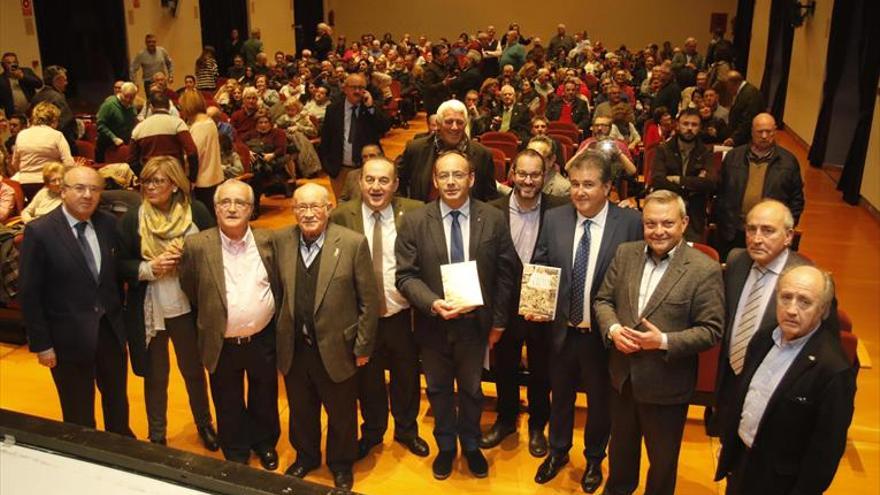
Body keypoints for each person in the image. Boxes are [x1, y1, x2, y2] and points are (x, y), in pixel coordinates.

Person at [395, 151, 517, 480]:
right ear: (434, 180)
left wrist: (500, 322)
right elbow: (405, 276)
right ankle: (446, 446)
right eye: (444, 176)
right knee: (437, 390)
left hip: (476, 328)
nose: (451, 182)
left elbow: (506, 274)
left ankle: (471, 444)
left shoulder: (492, 218)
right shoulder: (415, 221)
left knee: (472, 391)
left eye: (458, 175)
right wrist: (433, 303)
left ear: (471, 179)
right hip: (433, 325)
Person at [594, 190, 724, 495]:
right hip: (622, 378)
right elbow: (603, 300)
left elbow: (711, 330)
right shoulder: (625, 253)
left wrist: (662, 341)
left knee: (662, 464)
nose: (658, 231)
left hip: (667, 386)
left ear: (684, 223)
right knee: (621, 455)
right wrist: (613, 329)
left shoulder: (704, 270)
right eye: (650, 223)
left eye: (667, 223)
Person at [528, 150, 643, 493]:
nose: (579, 192)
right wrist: (536, 304)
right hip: (561, 330)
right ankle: (558, 450)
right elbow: (541, 263)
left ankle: (594, 458)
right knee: (560, 394)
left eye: (589, 185)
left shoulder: (630, 224)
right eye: (575, 184)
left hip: (603, 335)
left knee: (599, 401)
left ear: (607, 187)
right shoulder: (556, 218)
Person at [715, 265, 855, 495]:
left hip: (781, 483)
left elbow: (825, 453)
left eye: (804, 302)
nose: (791, 309)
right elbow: (743, 397)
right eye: (786, 297)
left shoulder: (834, 370)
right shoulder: (762, 339)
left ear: (822, 309)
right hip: (741, 466)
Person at [274, 183, 379, 490]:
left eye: (315, 207)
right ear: (293, 211)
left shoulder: (352, 243)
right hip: (295, 347)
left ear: (329, 208)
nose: (308, 214)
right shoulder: (281, 240)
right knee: (301, 409)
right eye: (301, 208)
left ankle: (341, 463)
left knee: (342, 413)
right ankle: (306, 457)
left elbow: (368, 302)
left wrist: (362, 346)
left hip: (338, 348)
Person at [18, 166, 134, 437]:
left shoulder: (108, 224)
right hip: (66, 339)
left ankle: (121, 450)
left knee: (117, 403)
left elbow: (114, 277)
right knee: (78, 414)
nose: (87, 195)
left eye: (94, 189)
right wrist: (42, 344)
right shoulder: (41, 231)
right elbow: (30, 293)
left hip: (109, 332)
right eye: (79, 188)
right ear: (63, 191)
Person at [328, 157, 430, 461]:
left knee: (406, 375)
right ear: (360, 183)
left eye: (384, 181)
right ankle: (372, 431)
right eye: (370, 180)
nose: (376, 187)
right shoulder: (341, 216)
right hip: (361, 318)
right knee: (368, 380)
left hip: (401, 314)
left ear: (395, 185)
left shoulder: (414, 212)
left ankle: (406, 429)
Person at [116, 156, 217, 450]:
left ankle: (204, 424)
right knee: (155, 377)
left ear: (174, 184)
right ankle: (157, 434)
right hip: (151, 308)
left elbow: (214, 253)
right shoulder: (133, 218)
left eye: (157, 180)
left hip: (187, 307)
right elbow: (119, 264)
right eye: (146, 180)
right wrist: (150, 268)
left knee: (194, 371)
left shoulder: (196, 212)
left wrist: (187, 262)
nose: (150, 186)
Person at [179, 179, 281, 468]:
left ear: (251, 209)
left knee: (265, 393)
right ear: (215, 207)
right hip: (220, 340)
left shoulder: (268, 241)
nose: (232, 208)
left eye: (240, 203)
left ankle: (264, 443)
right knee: (227, 400)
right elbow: (190, 287)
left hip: (262, 338)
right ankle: (236, 451)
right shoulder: (196, 245)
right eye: (225, 202)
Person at [480, 150, 567, 456]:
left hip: (544, 309)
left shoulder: (561, 210)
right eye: (523, 174)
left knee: (543, 371)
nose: (528, 181)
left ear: (545, 176)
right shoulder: (492, 211)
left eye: (535, 175)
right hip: (504, 308)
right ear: (512, 174)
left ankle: (537, 426)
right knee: (505, 368)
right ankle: (505, 421)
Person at [710, 199, 813, 435]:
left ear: (788, 236)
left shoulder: (806, 276)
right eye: (751, 229)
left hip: (772, 386)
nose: (756, 238)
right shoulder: (737, 260)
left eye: (767, 231)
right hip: (731, 380)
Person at [715, 113, 805, 258]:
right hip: (733, 230)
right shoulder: (733, 157)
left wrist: (784, 228)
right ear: (752, 132)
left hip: (769, 234)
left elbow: (796, 201)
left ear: (775, 131)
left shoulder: (789, 162)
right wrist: (722, 221)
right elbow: (720, 192)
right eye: (760, 131)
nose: (764, 136)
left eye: (768, 132)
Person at [398, 99, 498, 202]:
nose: (454, 127)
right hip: (423, 215)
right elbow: (397, 184)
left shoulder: (483, 154)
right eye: (449, 122)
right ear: (438, 124)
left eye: (460, 122)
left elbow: (490, 197)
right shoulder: (415, 149)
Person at [319, 73, 390, 201]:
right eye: (354, 87)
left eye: (361, 87)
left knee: (368, 204)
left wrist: (370, 107)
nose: (357, 91)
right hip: (339, 169)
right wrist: (327, 165)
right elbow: (326, 138)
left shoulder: (370, 107)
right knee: (343, 207)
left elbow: (384, 127)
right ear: (345, 89)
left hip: (366, 168)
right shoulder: (333, 109)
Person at [650, 108, 717, 241]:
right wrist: (694, 184)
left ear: (700, 127)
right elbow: (658, 181)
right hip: (666, 210)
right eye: (685, 124)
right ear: (677, 125)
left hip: (695, 215)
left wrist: (678, 180)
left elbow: (710, 183)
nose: (689, 128)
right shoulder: (663, 149)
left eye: (694, 125)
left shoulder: (705, 152)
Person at [9, 101, 75, 200]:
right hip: (50, 184)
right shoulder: (57, 135)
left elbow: (15, 164)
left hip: (25, 185)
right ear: (54, 119)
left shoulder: (22, 134)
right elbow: (69, 164)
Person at [129, 89, 199, 180]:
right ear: (169, 106)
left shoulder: (139, 128)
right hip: (175, 177)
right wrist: (192, 178)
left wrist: (144, 176)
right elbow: (192, 152)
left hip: (150, 177)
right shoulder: (178, 123)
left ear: (150, 107)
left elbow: (131, 161)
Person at [178, 91, 223, 213]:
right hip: (213, 176)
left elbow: (194, 155)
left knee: (206, 219)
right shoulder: (209, 122)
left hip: (203, 180)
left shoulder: (200, 126)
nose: (181, 111)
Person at [29, 65, 77, 154]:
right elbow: (67, 124)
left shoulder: (36, 97)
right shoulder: (57, 98)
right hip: (58, 145)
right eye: (64, 80)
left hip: (38, 143)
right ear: (57, 80)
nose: (66, 83)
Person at [95, 82, 138, 163]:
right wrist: (113, 137)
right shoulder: (109, 104)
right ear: (120, 92)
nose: (128, 100)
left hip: (124, 145)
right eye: (126, 96)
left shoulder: (132, 106)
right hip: (106, 146)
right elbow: (100, 124)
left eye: (131, 97)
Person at [722, 71, 764, 147]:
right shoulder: (744, 91)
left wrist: (734, 139)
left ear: (732, 83)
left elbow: (747, 121)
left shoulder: (750, 94)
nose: (727, 89)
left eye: (727, 85)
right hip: (741, 137)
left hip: (747, 141)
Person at [0, 52, 43, 117]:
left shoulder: (26, 71)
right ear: (3, 65)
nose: (12, 64)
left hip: (32, 111)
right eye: (8, 63)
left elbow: (39, 84)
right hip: (13, 115)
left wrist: (23, 77)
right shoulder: (1, 79)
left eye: (14, 62)